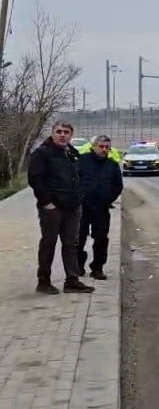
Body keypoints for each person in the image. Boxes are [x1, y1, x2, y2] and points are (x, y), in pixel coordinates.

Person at [27, 121, 94, 294]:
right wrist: (46, 202)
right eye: (59, 131)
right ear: (53, 133)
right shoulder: (42, 153)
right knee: (49, 244)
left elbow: (79, 176)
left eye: (66, 132)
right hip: (52, 208)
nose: (62, 135)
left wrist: (80, 197)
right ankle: (44, 282)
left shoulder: (72, 153)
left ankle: (72, 280)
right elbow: (35, 179)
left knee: (71, 244)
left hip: (72, 207)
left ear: (71, 135)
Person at [76, 135, 123, 280]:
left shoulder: (112, 165)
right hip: (82, 208)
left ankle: (97, 268)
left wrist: (108, 199)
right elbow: (73, 180)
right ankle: (78, 265)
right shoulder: (82, 161)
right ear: (94, 147)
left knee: (101, 239)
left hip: (101, 208)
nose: (104, 150)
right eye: (101, 146)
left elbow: (118, 186)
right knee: (78, 238)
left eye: (107, 147)